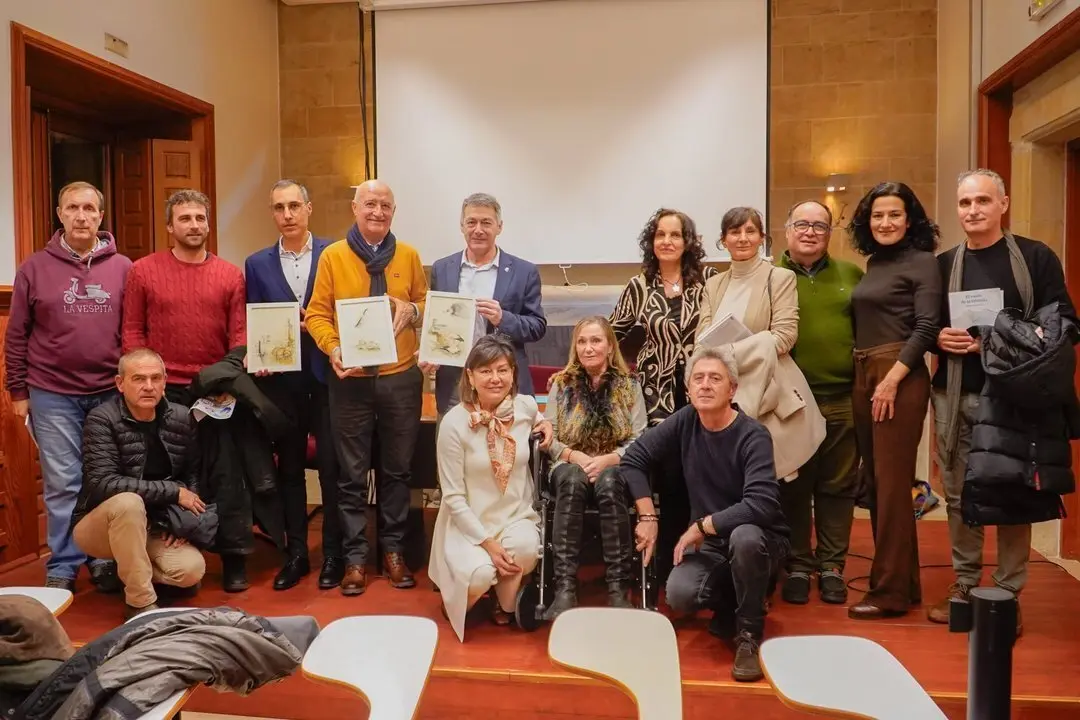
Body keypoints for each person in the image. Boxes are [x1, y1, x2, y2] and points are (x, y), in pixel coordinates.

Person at [928, 169, 1077, 634]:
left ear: (1003, 204)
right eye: (965, 202)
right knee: (957, 493)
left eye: (982, 201)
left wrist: (995, 340)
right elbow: (924, 326)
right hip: (955, 393)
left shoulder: (1034, 257)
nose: (973, 210)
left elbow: (1065, 323)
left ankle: (1008, 592)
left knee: (1014, 491)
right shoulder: (943, 263)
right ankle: (965, 584)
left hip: (1014, 396)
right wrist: (940, 338)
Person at [621, 346, 789, 683]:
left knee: (744, 537)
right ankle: (732, 603)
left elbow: (761, 503)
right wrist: (648, 517)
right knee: (680, 594)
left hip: (760, 539)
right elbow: (633, 459)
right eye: (698, 378)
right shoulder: (685, 421)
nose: (706, 385)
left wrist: (703, 525)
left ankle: (749, 635)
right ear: (688, 389)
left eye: (715, 378)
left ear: (733, 390)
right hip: (712, 546)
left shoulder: (753, 435)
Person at [4, 181, 132, 592]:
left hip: (110, 391)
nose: (81, 215)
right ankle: (64, 561)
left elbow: (133, 331)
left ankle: (100, 556)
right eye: (73, 208)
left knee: (105, 477)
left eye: (89, 209)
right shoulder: (34, 268)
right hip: (52, 392)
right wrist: (18, 391)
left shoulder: (123, 268)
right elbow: (17, 334)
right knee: (64, 482)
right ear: (59, 214)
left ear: (100, 215)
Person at [305, 179, 427, 596]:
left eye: (386, 206)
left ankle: (392, 551)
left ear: (394, 211)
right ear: (355, 207)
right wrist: (333, 347)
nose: (378, 211)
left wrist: (412, 309)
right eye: (370, 204)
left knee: (398, 470)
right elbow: (316, 315)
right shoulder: (332, 257)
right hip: (351, 382)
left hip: (400, 378)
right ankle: (355, 557)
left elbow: (427, 305)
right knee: (351, 475)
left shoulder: (408, 255)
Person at [846, 181, 941, 620]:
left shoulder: (923, 263)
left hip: (896, 374)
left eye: (894, 215)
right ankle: (906, 584)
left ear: (910, 220)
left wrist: (892, 381)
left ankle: (887, 594)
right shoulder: (873, 263)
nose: (885, 223)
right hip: (865, 372)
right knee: (880, 484)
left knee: (892, 484)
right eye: (878, 215)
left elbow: (926, 327)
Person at [244, 179, 343, 591]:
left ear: (308, 208)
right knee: (289, 472)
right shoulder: (256, 263)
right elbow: (254, 316)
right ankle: (297, 553)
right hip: (281, 382)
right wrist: (258, 353)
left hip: (328, 379)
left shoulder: (335, 253)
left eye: (293, 206)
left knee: (334, 470)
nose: (287, 215)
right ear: (272, 214)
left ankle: (334, 555)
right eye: (279, 208)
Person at [609, 208, 718, 582]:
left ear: (688, 242)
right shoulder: (639, 286)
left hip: (701, 393)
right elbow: (612, 336)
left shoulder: (710, 283)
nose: (667, 241)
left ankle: (705, 560)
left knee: (702, 475)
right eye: (660, 235)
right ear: (651, 242)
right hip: (656, 396)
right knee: (669, 478)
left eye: (675, 235)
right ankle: (668, 565)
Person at [72, 348, 206, 620]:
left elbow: (193, 474)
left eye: (156, 378)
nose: (148, 387)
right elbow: (103, 483)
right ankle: (140, 603)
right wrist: (173, 492)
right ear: (120, 384)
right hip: (99, 524)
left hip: (154, 523)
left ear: (165, 382)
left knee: (190, 571)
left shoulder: (181, 417)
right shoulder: (102, 419)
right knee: (128, 502)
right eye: (138, 379)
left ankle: (128, 570)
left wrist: (183, 522)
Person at [776, 200, 864, 605]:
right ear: (786, 229)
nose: (810, 232)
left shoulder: (851, 275)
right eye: (802, 225)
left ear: (830, 233)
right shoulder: (771, 277)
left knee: (838, 485)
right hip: (790, 401)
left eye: (819, 226)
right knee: (794, 484)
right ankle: (797, 563)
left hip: (841, 397)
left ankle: (831, 566)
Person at [696, 206, 824, 482]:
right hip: (723, 397)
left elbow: (785, 336)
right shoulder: (713, 285)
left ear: (761, 237)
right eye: (735, 231)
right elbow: (701, 341)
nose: (742, 238)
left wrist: (729, 355)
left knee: (772, 488)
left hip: (767, 392)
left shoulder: (779, 277)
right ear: (723, 239)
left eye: (750, 231)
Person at [428, 335, 543, 642]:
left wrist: (546, 425)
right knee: (479, 574)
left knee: (527, 550)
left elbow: (541, 419)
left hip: (514, 515)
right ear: (470, 375)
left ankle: (501, 600)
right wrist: (488, 544)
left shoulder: (525, 407)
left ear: (513, 373)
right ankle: (464, 592)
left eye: (503, 370)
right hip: (469, 523)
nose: (496, 378)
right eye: (486, 371)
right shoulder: (454, 423)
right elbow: (452, 497)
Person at [542, 316, 646, 618]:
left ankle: (617, 588)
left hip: (615, 463)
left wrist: (609, 459)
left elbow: (639, 438)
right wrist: (576, 457)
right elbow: (549, 437)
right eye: (582, 341)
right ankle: (564, 588)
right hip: (568, 462)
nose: (589, 348)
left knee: (612, 481)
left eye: (596, 341)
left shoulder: (628, 386)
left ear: (610, 347)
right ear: (576, 347)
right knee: (572, 480)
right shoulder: (561, 385)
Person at [423, 193, 547, 417]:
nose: (478, 229)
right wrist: (432, 351)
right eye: (471, 222)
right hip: (455, 383)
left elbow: (537, 326)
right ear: (462, 226)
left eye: (486, 223)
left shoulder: (524, 271)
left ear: (499, 227)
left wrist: (503, 318)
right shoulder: (442, 269)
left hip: (503, 384)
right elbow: (437, 323)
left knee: (506, 452)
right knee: (454, 449)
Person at [121, 190, 246, 405]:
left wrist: (229, 379)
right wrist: (145, 378)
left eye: (200, 218)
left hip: (214, 384)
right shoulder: (142, 270)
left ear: (208, 224)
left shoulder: (231, 275)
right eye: (185, 219)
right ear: (170, 226)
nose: (195, 225)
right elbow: (132, 330)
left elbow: (239, 335)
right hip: (161, 386)